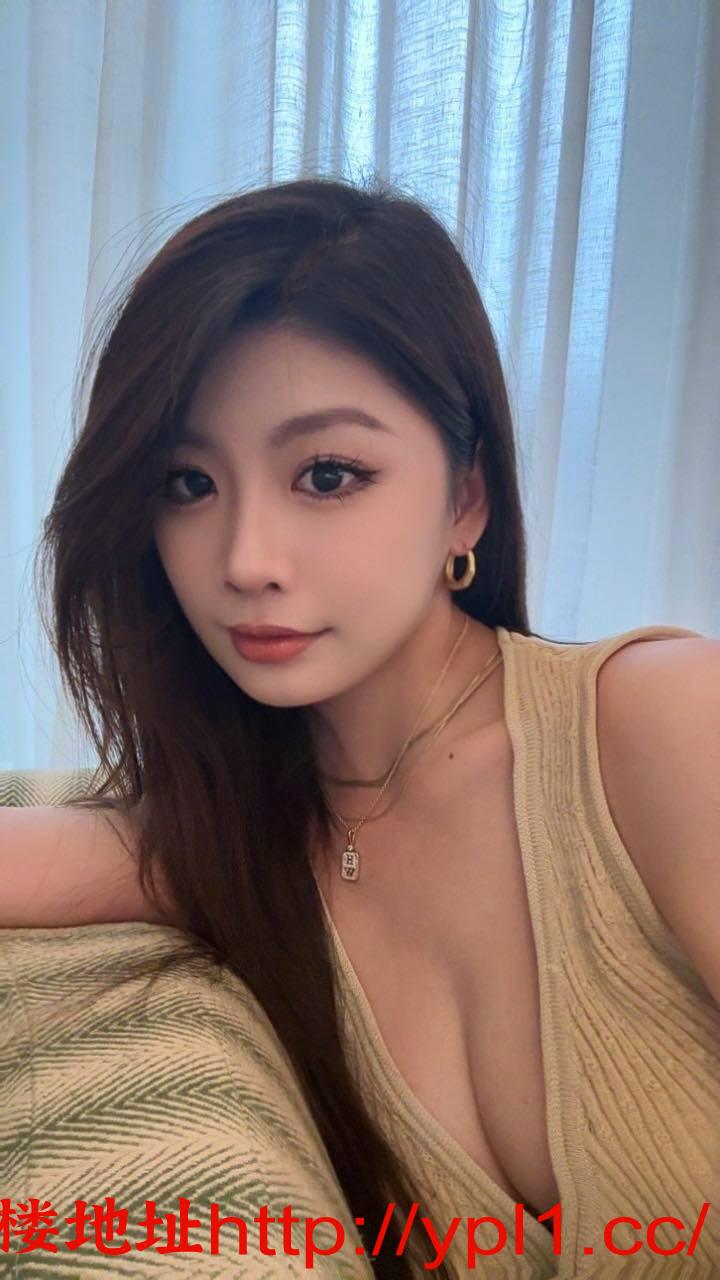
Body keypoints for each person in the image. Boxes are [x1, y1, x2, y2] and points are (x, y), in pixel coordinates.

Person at [4, 175, 719, 1277]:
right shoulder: (237, 849)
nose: (245, 559)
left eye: (328, 474)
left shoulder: (660, 723)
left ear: (466, 498)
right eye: (187, 482)